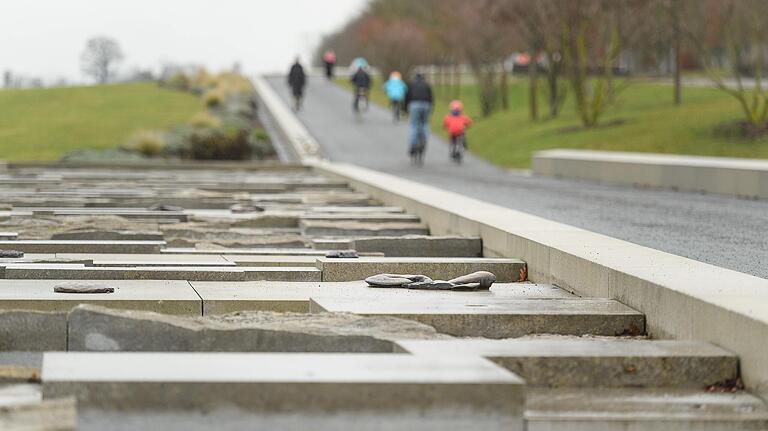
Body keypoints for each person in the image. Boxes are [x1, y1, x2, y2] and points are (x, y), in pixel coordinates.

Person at [404, 73, 433, 164]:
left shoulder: (411, 84)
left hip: (414, 105)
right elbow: (431, 98)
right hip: (426, 105)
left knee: (414, 125)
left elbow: (407, 97)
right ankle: (425, 141)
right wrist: (430, 110)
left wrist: (405, 109)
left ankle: (413, 145)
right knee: (424, 124)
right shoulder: (427, 85)